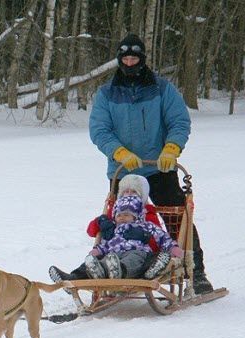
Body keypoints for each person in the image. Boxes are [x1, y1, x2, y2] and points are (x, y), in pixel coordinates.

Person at [87, 33, 213, 294]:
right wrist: (118, 151)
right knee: (118, 223)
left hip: (159, 167)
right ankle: (116, 267)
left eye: (135, 58)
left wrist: (172, 147)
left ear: (142, 59)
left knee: (177, 217)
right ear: (119, 61)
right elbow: (100, 130)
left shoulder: (161, 88)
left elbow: (179, 121)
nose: (130, 62)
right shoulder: (106, 93)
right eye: (126, 58)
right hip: (124, 171)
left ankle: (195, 272)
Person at [49, 174, 163, 281]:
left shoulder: (148, 214)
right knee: (95, 259)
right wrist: (100, 223)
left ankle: (120, 270)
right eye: (126, 191)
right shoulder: (115, 212)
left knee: (133, 257)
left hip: (137, 254)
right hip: (112, 252)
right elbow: (91, 231)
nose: (129, 194)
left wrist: (139, 236)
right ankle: (74, 277)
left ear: (142, 195)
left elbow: (156, 241)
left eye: (134, 192)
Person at [83, 194, 182, 280]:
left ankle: (120, 270)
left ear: (136, 216)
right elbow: (107, 244)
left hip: (137, 252)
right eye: (119, 215)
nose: (122, 217)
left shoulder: (145, 226)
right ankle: (98, 271)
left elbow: (162, 237)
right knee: (106, 260)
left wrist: (172, 247)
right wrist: (99, 250)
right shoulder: (114, 229)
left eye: (126, 215)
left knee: (133, 259)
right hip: (114, 255)